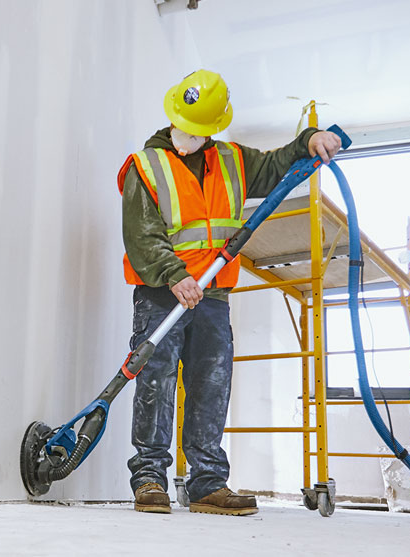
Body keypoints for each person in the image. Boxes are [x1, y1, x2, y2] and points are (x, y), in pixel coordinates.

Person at [117, 69, 342, 516]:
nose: (187, 135)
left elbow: (279, 165)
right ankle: (149, 478)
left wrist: (312, 138)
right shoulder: (145, 166)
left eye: (198, 130)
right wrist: (173, 275)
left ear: (213, 130)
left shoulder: (233, 160)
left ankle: (206, 483)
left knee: (211, 384)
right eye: (182, 125)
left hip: (213, 295)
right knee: (156, 382)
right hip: (163, 291)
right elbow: (141, 233)